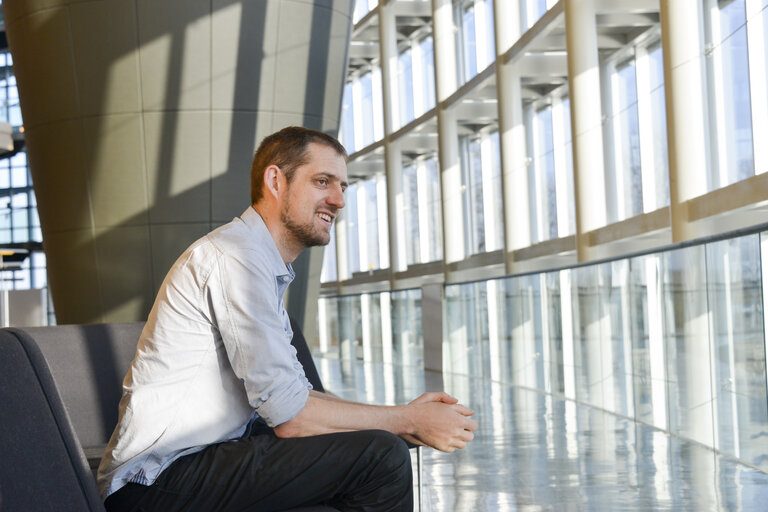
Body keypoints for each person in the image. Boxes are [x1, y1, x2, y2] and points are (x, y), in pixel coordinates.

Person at [97, 126, 478, 512]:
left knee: (379, 447)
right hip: (155, 481)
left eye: (343, 186)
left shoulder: (260, 263)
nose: (338, 199)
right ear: (276, 181)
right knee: (381, 458)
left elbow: (296, 396)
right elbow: (290, 419)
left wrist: (405, 420)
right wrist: (405, 419)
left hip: (204, 461)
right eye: (323, 181)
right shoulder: (234, 258)